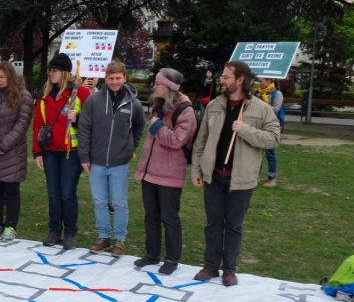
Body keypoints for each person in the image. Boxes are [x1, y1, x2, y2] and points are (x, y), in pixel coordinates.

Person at [191, 61, 280, 286]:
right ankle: (211, 266)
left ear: (240, 80)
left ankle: (229, 269)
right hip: (213, 176)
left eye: (226, 77)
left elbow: (273, 139)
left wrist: (246, 130)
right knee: (213, 224)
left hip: (242, 179)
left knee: (233, 226)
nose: (221, 80)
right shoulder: (214, 105)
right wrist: (197, 169)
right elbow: (201, 140)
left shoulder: (261, 108)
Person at [133, 68, 197, 275]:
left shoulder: (185, 110)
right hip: (149, 170)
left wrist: (157, 126)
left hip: (170, 173)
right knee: (151, 215)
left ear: (169, 88)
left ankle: (172, 259)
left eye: (158, 84)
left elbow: (178, 140)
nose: (154, 86)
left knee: (169, 218)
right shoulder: (158, 105)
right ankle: (152, 254)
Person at [77, 60, 145, 258]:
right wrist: (84, 156)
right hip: (96, 161)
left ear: (125, 78)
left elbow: (139, 127)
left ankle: (119, 240)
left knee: (119, 203)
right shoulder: (94, 100)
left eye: (118, 78)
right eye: (111, 78)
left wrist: (131, 147)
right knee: (99, 201)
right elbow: (84, 128)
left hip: (119, 163)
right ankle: (104, 236)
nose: (115, 82)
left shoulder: (134, 104)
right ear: (105, 79)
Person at [32, 53, 90, 249]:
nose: (50, 74)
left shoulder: (80, 93)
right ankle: (54, 231)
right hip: (50, 151)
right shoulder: (45, 94)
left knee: (67, 193)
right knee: (53, 194)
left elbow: (92, 122)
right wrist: (37, 152)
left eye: (54, 70)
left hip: (70, 152)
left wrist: (78, 118)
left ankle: (70, 233)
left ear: (65, 72)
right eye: (49, 70)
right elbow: (38, 125)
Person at [0, 61, 33, 242]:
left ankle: (11, 225)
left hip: (12, 154)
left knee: (11, 191)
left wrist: (4, 145)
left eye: (2, 77)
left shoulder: (23, 97)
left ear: (10, 76)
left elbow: (22, 124)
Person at [257, 77, 284, 188]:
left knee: (270, 153)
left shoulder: (277, 94)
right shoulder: (258, 93)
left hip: (271, 126)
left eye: (261, 81)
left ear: (269, 81)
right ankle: (255, 176)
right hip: (259, 125)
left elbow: (276, 109)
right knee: (257, 151)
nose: (259, 83)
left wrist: (263, 103)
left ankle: (271, 178)